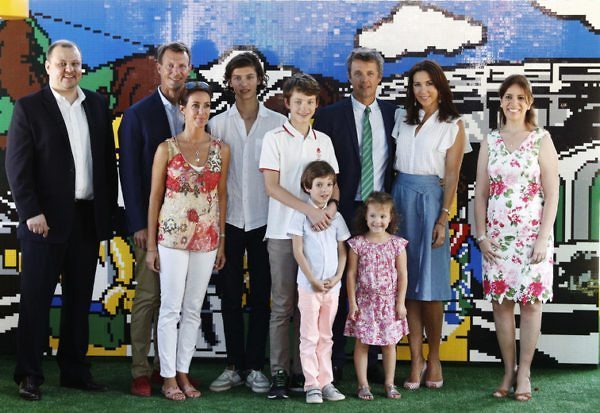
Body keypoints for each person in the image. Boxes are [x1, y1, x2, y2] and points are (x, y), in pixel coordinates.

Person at [6, 39, 118, 401]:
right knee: (36, 299)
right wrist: (31, 213)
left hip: (86, 218)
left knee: (78, 301)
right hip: (44, 221)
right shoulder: (29, 108)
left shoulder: (98, 106)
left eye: (76, 64)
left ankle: (74, 370)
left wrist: (108, 214)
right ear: (48, 67)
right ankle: (29, 374)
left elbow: (105, 165)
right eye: (62, 64)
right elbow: (17, 169)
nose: (70, 70)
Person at [313, 47, 395, 383]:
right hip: (342, 209)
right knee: (337, 281)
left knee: (374, 285)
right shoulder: (331, 116)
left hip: (377, 212)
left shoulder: (394, 114)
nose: (364, 80)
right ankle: (333, 360)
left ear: (380, 77)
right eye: (358, 73)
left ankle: (373, 357)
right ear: (349, 77)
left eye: (370, 73)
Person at [474, 74, 558, 402]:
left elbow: (552, 194)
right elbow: (480, 194)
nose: (513, 103)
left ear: (529, 102)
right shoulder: (490, 140)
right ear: (501, 101)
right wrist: (481, 236)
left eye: (520, 98)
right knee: (502, 305)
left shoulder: (541, 139)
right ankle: (508, 370)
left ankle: (525, 371)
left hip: (532, 237)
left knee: (532, 305)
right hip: (496, 239)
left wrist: (542, 238)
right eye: (508, 97)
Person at [145, 81, 230, 401]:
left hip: (207, 240)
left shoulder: (221, 149)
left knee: (194, 308)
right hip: (171, 239)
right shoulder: (166, 148)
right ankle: (167, 376)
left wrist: (221, 240)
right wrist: (152, 245)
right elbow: (155, 198)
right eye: (195, 105)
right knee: (170, 308)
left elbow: (221, 196)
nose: (201, 111)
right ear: (182, 109)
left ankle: (183, 370)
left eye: (206, 105)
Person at [208, 52, 286, 394]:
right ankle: (233, 365)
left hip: (265, 222)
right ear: (229, 82)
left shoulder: (276, 123)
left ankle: (255, 366)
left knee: (260, 296)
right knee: (229, 296)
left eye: (249, 77)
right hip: (229, 223)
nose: (243, 84)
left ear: (260, 80)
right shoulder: (218, 124)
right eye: (237, 78)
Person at [259, 73, 340, 399]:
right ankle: (279, 371)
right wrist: (308, 209)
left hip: (319, 237)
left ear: (316, 104)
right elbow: (271, 186)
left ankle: (305, 374)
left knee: (313, 307)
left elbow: (334, 187)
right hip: (282, 232)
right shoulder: (274, 138)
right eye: (298, 101)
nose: (303, 107)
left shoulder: (324, 141)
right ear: (287, 103)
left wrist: (330, 210)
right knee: (283, 305)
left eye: (309, 101)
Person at [118, 42, 192, 397]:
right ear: (158, 69)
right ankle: (139, 370)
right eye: (171, 66)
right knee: (148, 297)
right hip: (152, 223)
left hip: (189, 227)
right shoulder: (137, 115)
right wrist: (139, 225)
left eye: (183, 66)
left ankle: (173, 371)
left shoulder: (198, 109)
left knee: (177, 302)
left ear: (189, 70)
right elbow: (129, 175)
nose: (177, 72)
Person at [390, 60, 469, 390]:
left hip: (432, 200)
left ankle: (435, 358)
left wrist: (443, 217)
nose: (422, 90)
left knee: (431, 286)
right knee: (405, 285)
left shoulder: (453, 124)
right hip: (399, 199)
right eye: (417, 84)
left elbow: (451, 176)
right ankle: (416, 359)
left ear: (440, 86)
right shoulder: (401, 118)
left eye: (429, 84)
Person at [288, 161, 350, 404]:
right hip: (309, 287)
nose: (325, 190)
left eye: (329, 185)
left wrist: (336, 278)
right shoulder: (300, 215)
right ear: (307, 187)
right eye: (319, 185)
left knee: (326, 336)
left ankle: (326, 382)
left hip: (332, 288)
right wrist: (312, 280)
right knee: (309, 336)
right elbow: (298, 252)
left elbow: (342, 251)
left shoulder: (337, 218)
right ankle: (311, 384)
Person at [344, 192, 409, 400]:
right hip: (365, 302)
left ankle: (389, 383)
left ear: (390, 218)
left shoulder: (397, 244)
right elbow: (351, 274)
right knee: (362, 344)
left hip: (389, 303)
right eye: (373, 216)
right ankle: (363, 384)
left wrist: (400, 303)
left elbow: (402, 275)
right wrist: (352, 303)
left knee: (389, 344)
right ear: (365, 216)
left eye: (382, 217)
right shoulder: (357, 244)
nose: (377, 221)